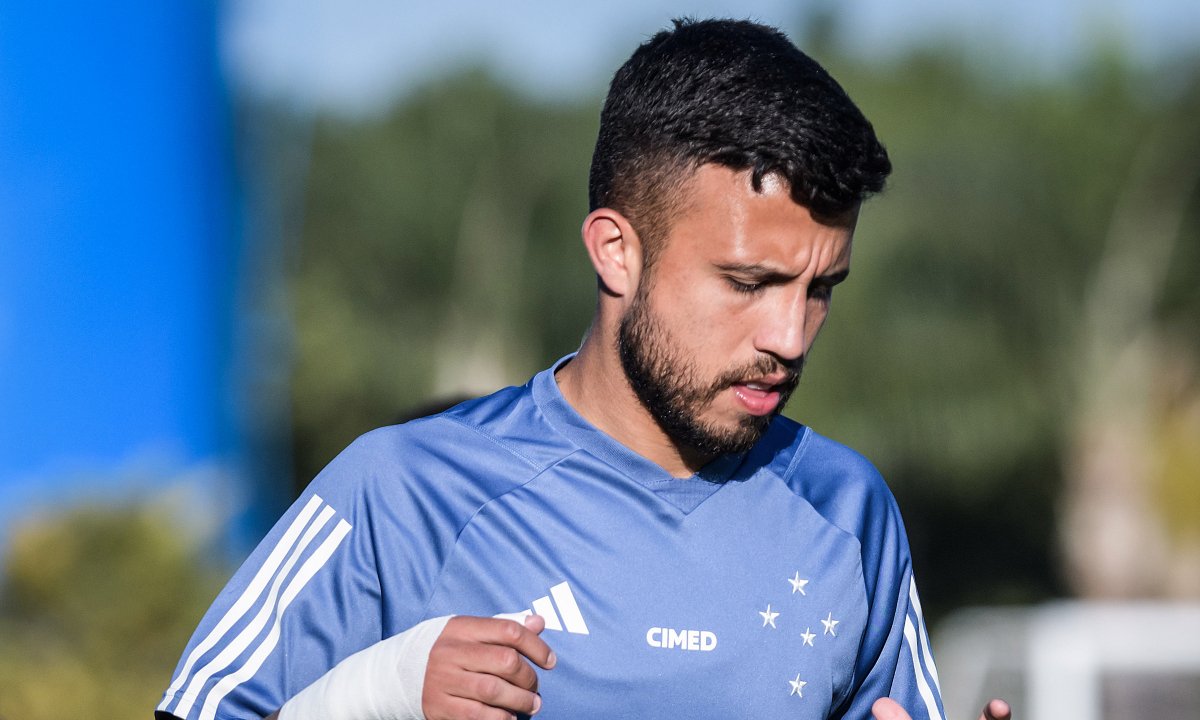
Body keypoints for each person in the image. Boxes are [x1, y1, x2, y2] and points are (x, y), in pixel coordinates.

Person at [158, 18, 1010, 720]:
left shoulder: (846, 510)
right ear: (616, 251)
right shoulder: (404, 491)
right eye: (749, 283)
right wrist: (381, 695)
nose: (790, 335)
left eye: (821, 289)